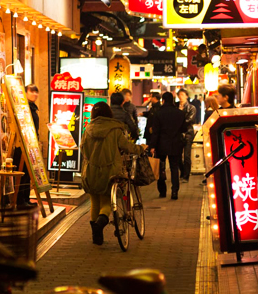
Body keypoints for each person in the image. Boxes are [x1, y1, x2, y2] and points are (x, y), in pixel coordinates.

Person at [81, 102, 144, 245]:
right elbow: (126, 147)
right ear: (109, 113)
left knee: (94, 203)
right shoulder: (115, 129)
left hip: (91, 172)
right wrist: (140, 149)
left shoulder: (88, 129)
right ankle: (99, 225)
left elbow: (82, 149)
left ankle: (96, 236)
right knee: (107, 202)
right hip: (110, 171)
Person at [148, 91, 191, 200]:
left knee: (161, 167)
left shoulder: (158, 113)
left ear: (163, 100)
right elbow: (184, 129)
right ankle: (174, 192)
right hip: (176, 142)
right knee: (174, 167)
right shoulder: (180, 113)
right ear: (172, 100)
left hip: (161, 143)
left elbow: (156, 132)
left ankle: (162, 191)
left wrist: (152, 146)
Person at [13, 83, 42, 208]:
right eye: (32, 91)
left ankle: (26, 198)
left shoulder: (33, 107)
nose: (35, 94)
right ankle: (20, 200)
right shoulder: (24, 108)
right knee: (23, 173)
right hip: (22, 145)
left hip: (30, 144)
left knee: (28, 173)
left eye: (36, 92)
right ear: (25, 93)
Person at [176, 89, 196, 183]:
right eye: (179, 94)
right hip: (177, 133)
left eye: (183, 94)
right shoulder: (175, 106)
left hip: (188, 132)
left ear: (187, 96)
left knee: (187, 155)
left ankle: (186, 176)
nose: (181, 96)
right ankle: (182, 172)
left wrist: (178, 122)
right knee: (178, 155)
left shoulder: (191, 108)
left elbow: (190, 120)